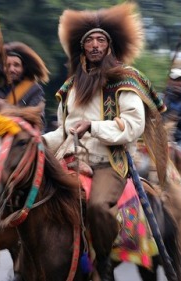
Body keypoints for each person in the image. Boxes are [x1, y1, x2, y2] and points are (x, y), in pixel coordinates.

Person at [42, 3, 168, 280]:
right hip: (71, 159)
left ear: (109, 47)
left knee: (98, 206)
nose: (95, 45)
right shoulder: (71, 88)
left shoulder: (125, 80)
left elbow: (134, 126)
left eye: (101, 40)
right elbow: (63, 131)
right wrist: (36, 142)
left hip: (108, 163)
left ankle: (103, 263)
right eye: (90, 41)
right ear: (83, 48)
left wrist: (94, 127)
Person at [0, 41, 49, 121]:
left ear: (24, 68)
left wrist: (6, 108)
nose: (11, 69)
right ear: (2, 68)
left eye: (16, 65)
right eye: (7, 65)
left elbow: (38, 120)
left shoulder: (34, 90)